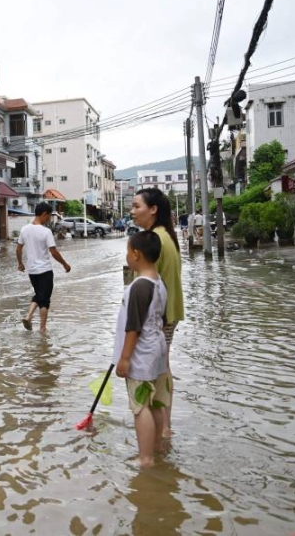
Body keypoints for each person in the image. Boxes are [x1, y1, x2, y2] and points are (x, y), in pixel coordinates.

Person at [113, 230, 170, 467]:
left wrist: (125, 358)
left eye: (128, 251)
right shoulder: (159, 283)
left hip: (141, 356)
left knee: (140, 407)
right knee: (156, 402)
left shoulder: (139, 287)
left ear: (136, 254)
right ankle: (155, 449)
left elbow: (133, 327)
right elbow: (162, 320)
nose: (126, 256)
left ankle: (145, 458)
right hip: (158, 352)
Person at [131, 188, 184, 439]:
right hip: (166, 315)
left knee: (157, 374)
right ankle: (164, 428)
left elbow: (148, 289)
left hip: (158, 319)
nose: (132, 211)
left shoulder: (156, 241)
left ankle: (160, 431)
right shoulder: (164, 237)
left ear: (153, 210)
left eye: (136, 206)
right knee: (163, 369)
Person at [16, 202, 72, 333]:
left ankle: (29, 317)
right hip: (45, 270)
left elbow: (18, 249)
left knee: (39, 295)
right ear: (44, 214)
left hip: (32, 271)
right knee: (45, 300)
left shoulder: (24, 229)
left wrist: (20, 263)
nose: (49, 219)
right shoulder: (46, 232)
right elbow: (53, 252)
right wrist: (65, 264)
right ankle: (41, 328)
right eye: (49, 216)